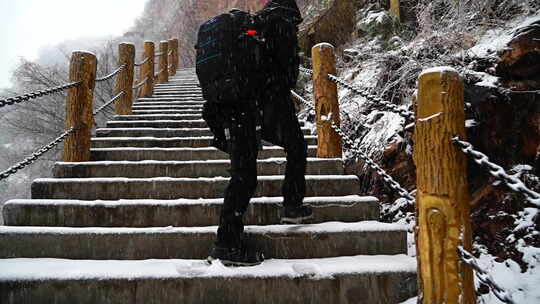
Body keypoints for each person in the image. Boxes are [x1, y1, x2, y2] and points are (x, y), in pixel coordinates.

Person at [207, 0, 312, 267]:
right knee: (293, 150)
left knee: (245, 174)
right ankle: (230, 241)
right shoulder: (281, 24)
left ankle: (229, 240)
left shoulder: (256, 26)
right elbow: (287, 72)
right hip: (263, 105)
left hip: (242, 107)